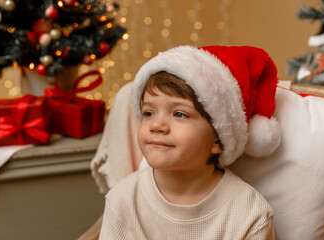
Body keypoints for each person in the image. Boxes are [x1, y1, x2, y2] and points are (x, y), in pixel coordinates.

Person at [99, 45, 281, 239]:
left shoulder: (250, 214)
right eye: (149, 113)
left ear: (218, 139)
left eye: (180, 114)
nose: (157, 125)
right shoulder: (123, 199)